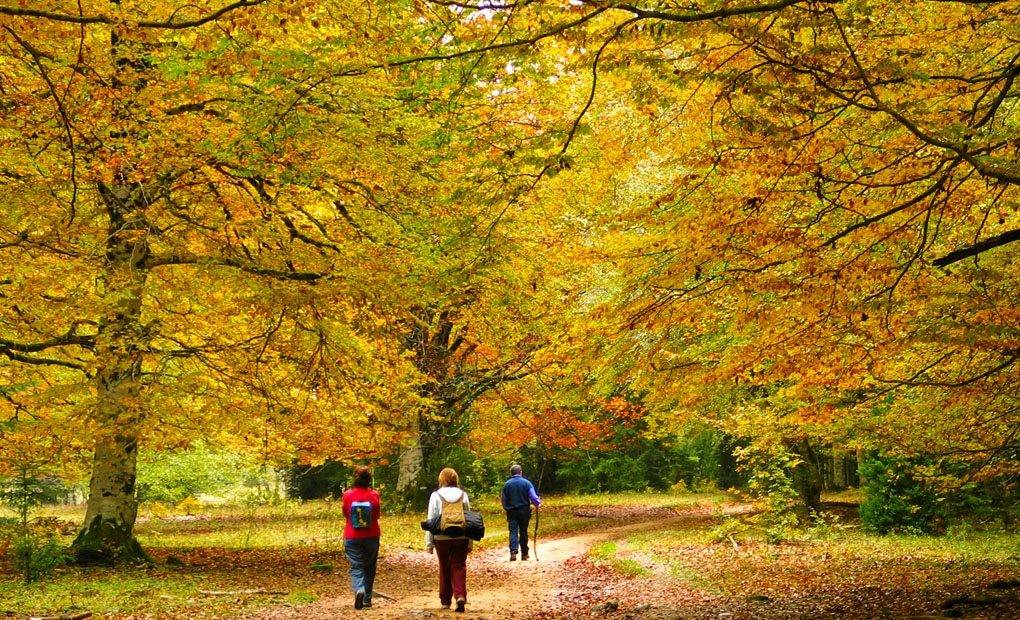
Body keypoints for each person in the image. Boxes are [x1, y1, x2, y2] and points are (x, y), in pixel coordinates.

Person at [425, 467, 472, 613]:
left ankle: (445, 601)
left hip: (441, 537)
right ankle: (460, 596)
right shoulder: (463, 495)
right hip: (461, 536)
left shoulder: (436, 495)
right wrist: (470, 541)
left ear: (442, 479)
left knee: (444, 567)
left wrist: (429, 543)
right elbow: (468, 518)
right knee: (459, 566)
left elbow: (431, 519)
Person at [342, 466, 381, 610]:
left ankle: (359, 589)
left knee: (356, 566)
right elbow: (377, 516)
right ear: (369, 479)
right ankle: (367, 599)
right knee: (370, 567)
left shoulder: (347, 495)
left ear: (355, 478)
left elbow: (346, 514)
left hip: (352, 535)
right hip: (371, 535)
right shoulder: (374, 495)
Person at [501, 463, 541, 561]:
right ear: (521, 472)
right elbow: (533, 497)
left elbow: (503, 499)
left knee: (513, 531)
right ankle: (524, 553)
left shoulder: (507, 484)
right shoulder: (527, 483)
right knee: (523, 532)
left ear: (511, 473)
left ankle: (513, 552)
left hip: (511, 511)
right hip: (524, 511)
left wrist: (506, 508)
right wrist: (537, 503)